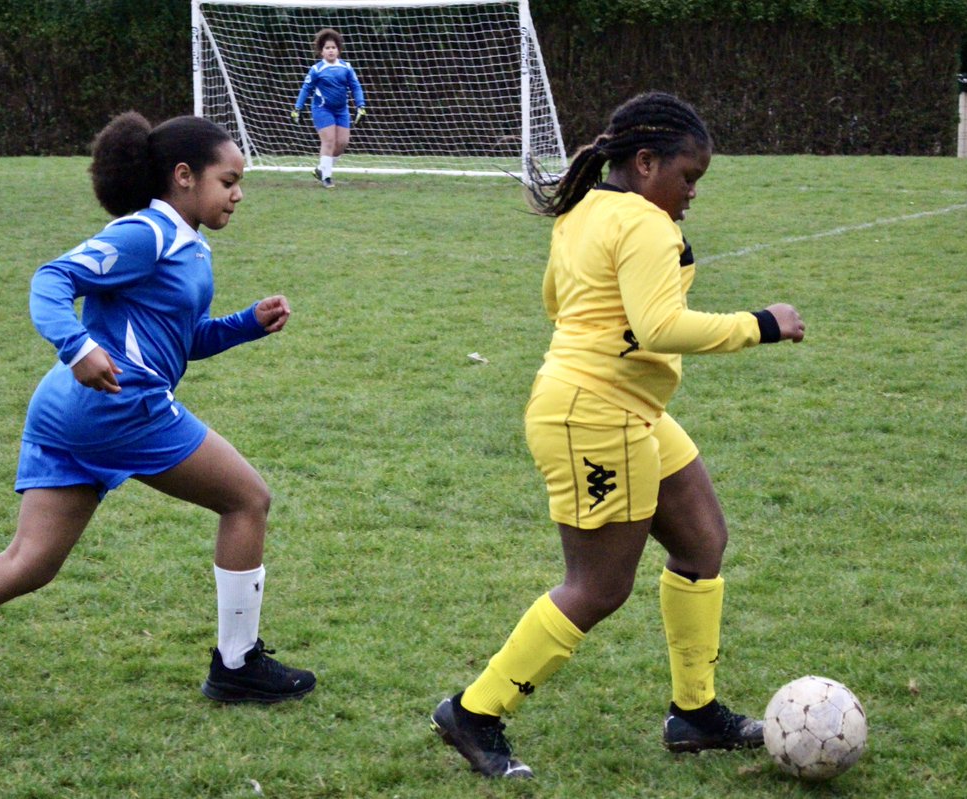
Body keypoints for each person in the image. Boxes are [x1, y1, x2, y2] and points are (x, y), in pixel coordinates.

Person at [0, 111, 316, 739]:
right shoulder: (148, 233)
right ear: (183, 177)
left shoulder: (183, 241)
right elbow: (51, 279)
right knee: (248, 500)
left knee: (30, 561)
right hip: (123, 408)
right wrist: (78, 346)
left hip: (72, 413)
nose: (238, 193)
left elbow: (176, 339)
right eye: (228, 180)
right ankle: (237, 665)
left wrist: (244, 324)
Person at [429, 91, 806, 778]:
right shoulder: (643, 222)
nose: (692, 194)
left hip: (627, 407)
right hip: (593, 415)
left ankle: (695, 712)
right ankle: (474, 710)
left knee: (702, 540)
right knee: (599, 585)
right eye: (687, 177)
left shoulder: (587, 211)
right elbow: (661, 327)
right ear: (644, 161)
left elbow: (555, 299)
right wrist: (763, 322)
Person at [290, 27, 366, 188]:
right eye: (327, 48)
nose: (331, 51)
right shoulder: (316, 69)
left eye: (333, 47)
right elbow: (306, 89)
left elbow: (356, 87)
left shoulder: (346, 67)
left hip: (342, 110)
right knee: (329, 141)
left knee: (342, 143)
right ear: (321, 51)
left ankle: (321, 169)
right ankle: (327, 177)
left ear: (338, 50)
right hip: (322, 109)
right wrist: (298, 108)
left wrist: (361, 106)